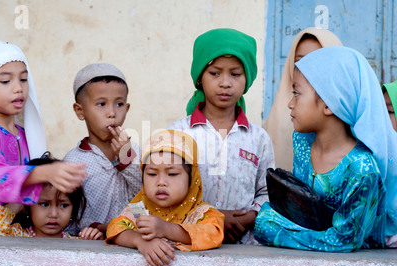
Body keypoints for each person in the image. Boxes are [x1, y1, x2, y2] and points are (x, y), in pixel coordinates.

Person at [254, 46, 397, 252]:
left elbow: (344, 240)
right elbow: (300, 212)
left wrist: (269, 226)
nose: (290, 104)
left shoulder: (362, 171)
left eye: (296, 93)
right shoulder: (303, 142)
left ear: (329, 104)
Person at [0, 41, 87, 225]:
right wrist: (42, 173)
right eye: (5, 81)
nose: (18, 88)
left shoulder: (24, 135)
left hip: (13, 235)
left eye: (23, 79)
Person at [169, 28, 274, 244]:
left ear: (247, 79)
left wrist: (250, 217)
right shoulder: (179, 134)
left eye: (235, 74)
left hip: (246, 245)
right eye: (215, 73)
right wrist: (213, 217)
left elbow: (266, 192)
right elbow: (165, 191)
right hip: (192, 244)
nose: (225, 83)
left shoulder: (259, 138)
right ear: (200, 78)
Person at [106, 130, 225, 266]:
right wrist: (141, 241)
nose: (161, 182)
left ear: (192, 179)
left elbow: (213, 234)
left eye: (172, 174)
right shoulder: (139, 211)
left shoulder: (203, 214)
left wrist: (166, 229)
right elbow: (114, 228)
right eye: (151, 174)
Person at [64, 63, 142, 236]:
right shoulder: (73, 162)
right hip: (91, 247)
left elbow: (145, 197)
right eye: (101, 104)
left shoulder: (135, 151)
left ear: (127, 109)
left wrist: (127, 160)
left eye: (119, 104)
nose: (112, 113)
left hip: (136, 243)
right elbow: (67, 215)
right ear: (80, 111)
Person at [263, 27, 343, 171]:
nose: (308, 69)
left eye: (318, 60)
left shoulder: (350, 123)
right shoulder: (278, 119)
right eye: (301, 62)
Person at [0, 153, 102, 239]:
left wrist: (95, 237)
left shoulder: (75, 241)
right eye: (44, 204)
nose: (54, 214)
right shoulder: (18, 236)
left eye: (64, 205)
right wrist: (20, 201)